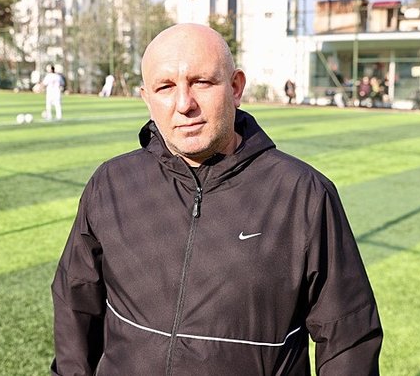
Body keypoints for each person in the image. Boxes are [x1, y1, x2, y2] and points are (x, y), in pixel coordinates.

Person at [51, 23, 382, 376]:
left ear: (235, 87)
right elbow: (75, 303)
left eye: (201, 82)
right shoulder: (111, 182)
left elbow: (348, 338)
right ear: (147, 98)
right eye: (165, 87)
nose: (184, 104)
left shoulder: (304, 195)